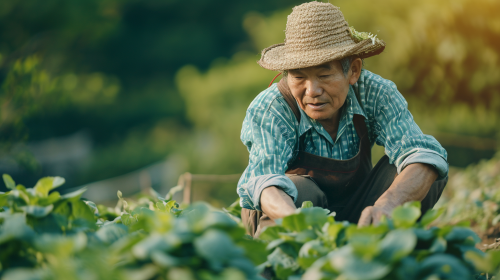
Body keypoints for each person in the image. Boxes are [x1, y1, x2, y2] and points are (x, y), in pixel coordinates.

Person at [237, 1, 448, 238]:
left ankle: (376, 256)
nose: (312, 90)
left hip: (358, 216)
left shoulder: (376, 93)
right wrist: (296, 221)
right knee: (300, 189)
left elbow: (422, 152)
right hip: (288, 222)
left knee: (424, 166)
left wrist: (389, 204)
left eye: (324, 74)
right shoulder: (271, 108)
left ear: (353, 71)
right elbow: (265, 183)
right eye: (298, 77)